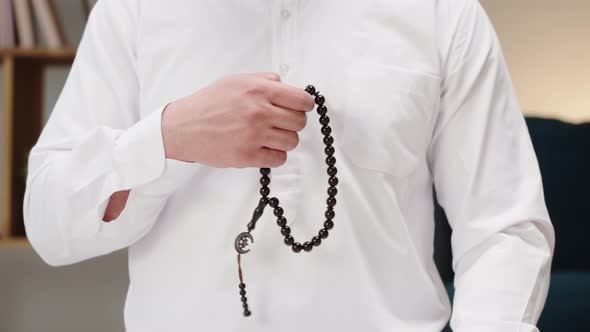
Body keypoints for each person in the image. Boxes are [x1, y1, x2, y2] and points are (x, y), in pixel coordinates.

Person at [23, 0, 555, 331]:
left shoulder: (443, 12)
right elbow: (50, 220)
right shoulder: (134, 10)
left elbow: (503, 226)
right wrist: (169, 136)